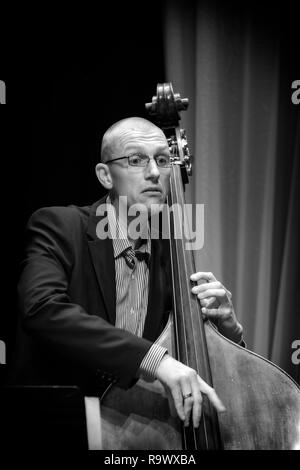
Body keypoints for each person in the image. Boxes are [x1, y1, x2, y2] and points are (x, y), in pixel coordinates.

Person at [14, 117, 244, 431]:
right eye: (136, 160)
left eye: (162, 160)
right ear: (105, 175)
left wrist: (228, 330)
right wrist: (155, 360)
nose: (154, 173)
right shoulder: (59, 226)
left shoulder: (173, 255)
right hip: (57, 424)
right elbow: (42, 309)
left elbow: (194, 364)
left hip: (132, 431)